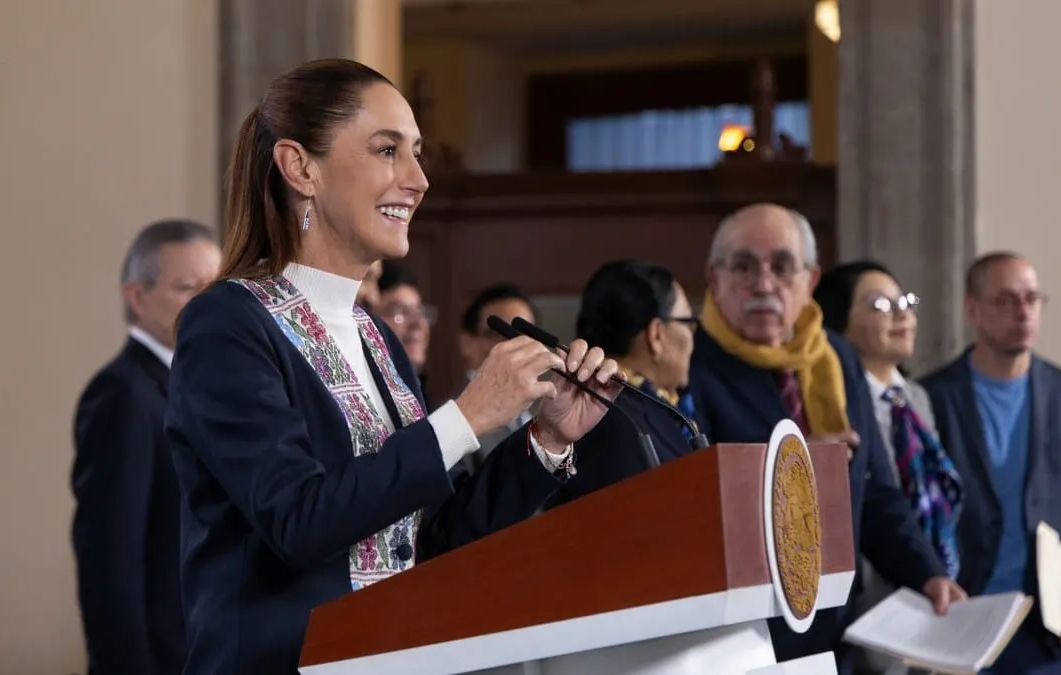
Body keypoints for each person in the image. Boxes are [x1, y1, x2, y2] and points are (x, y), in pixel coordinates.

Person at [164, 59, 622, 675]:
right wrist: (466, 416)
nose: (419, 180)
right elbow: (297, 521)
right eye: (387, 151)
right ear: (300, 168)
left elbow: (428, 542)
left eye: (418, 154)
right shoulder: (227, 324)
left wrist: (546, 440)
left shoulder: (376, 337)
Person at [686, 203, 964, 673]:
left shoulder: (836, 356)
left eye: (782, 267)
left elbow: (874, 490)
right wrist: (791, 469)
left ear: (810, 279)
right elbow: (693, 509)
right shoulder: (693, 365)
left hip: (836, 631)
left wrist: (927, 574)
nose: (764, 284)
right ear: (714, 279)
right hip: (745, 639)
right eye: (744, 267)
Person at [922, 252, 1061, 675]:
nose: (1023, 311)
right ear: (972, 309)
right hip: (959, 621)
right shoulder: (934, 397)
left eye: (1032, 299)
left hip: (1044, 628)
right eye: (1005, 300)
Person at [71, 219, 221, 675]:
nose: (207, 303)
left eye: (214, 287)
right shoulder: (123, 395)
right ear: (137, 298)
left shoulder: (200, 384)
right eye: (187, 288)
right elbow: (110, 563)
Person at [814, 260, 963, 675]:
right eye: (880, 304)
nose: (902, 315)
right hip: (864, 608)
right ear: (840, 323)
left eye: (906, 302)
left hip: (925, 586)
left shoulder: (916, 398)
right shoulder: (834, 403)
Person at [545, 260, 700, 506]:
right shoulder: (620, 420)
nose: (693, 339)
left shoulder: (647, 408)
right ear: (656, 335)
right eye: (688, 323)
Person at [457, 283, 540, 469]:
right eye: (499, 333)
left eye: (526, 334)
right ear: (467, 343)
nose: (515, 343)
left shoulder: (547, 416)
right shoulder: (452, 421)